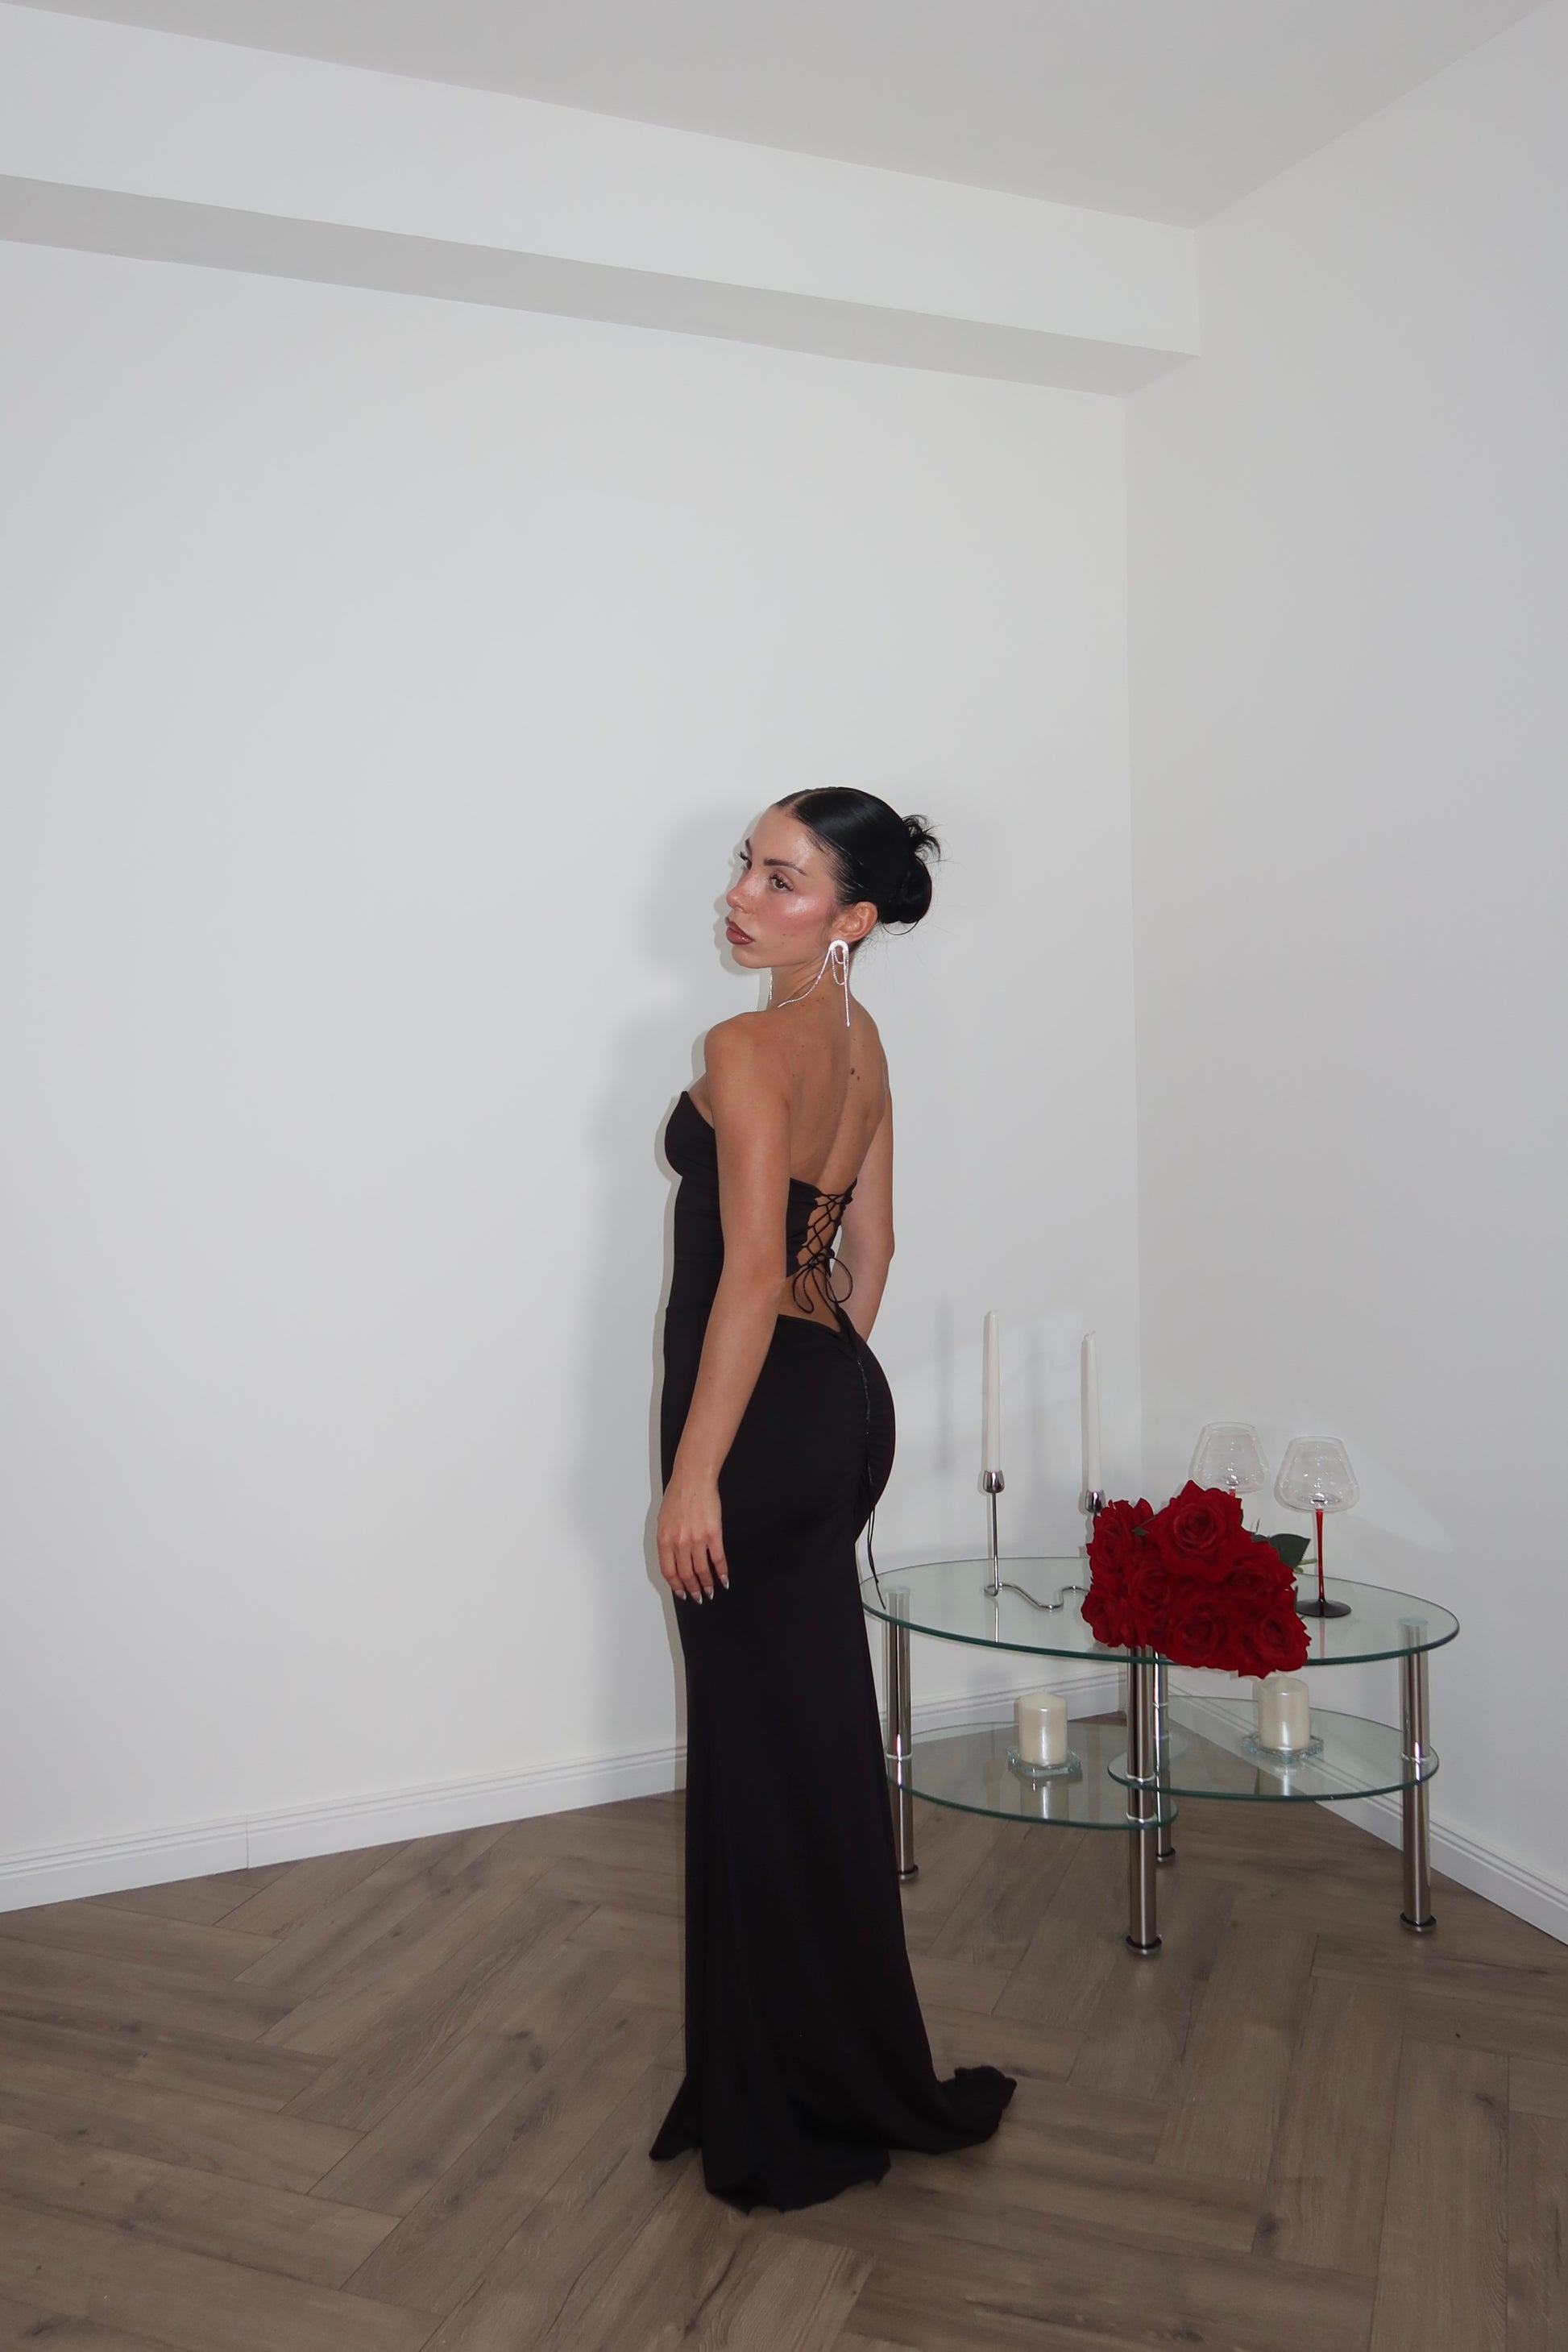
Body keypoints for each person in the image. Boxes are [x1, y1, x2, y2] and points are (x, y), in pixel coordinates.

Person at [648, 786, 1015, 2212]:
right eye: (748, 867)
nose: (742, 897)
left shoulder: (744, 1049)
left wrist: (698, 1471)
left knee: (757, 1754)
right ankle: (841, 2063)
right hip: (833, 1410)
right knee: (808, 1744)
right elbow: (874, 1247)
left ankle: (781, 2095)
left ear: (850, 918)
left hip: (749, 1432)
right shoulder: (862, 1049)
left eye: (782, 880)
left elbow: (749, 1276)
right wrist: (824, 1394)